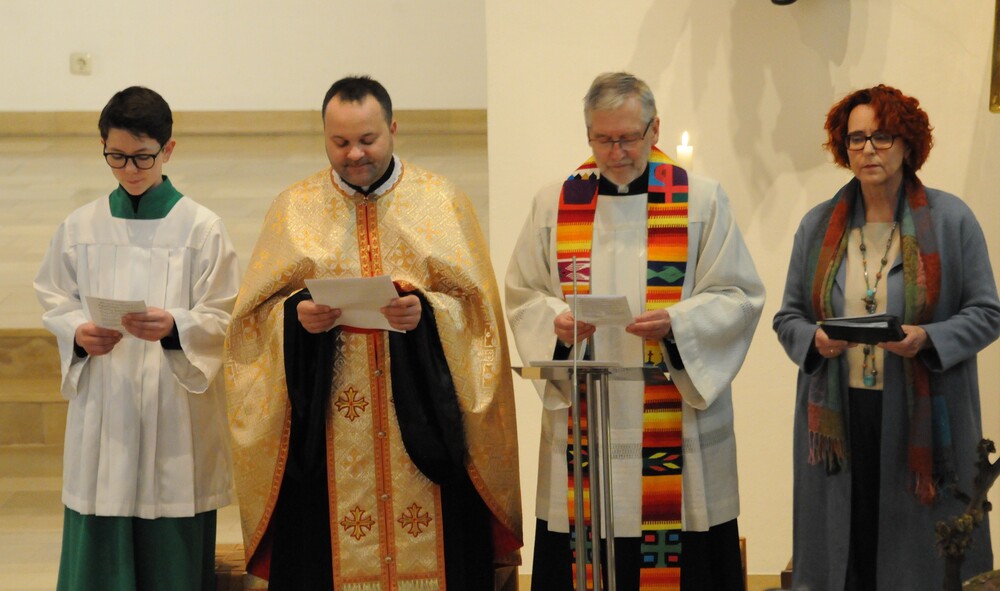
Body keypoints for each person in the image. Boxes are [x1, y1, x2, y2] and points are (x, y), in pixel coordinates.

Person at [224, 75, 522, 591]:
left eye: (367, 139)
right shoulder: (293, 208)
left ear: (393, 130)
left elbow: (480, 318)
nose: (355, 154)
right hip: (329, 426)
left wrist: (426, 313)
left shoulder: (441, 202)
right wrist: (295, 317)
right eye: (340, 142)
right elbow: (250, 324)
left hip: (424, 422)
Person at [506, 72, 764, 590]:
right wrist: (555, 323)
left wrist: (678, 323)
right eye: (602, 139)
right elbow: (523, 292)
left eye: (628, 137)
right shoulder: (554, 203)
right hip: (587, 418)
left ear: (654, 129)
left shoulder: (701, 201)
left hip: (673, 420)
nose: (616, 152)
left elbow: (738, 295)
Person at [773, 84, 1000, 590]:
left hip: (919, 411)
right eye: (856, 139)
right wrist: (815, 340)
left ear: (907, 143)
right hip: (838, 415)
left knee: (916, 558)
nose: (868, 150)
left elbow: (988, 313)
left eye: (882, 136)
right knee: (847, 548)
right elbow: (788, 317)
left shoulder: (951, 220)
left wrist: (928, 337)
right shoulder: (818, 226)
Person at [33, 86, 241, 591]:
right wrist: (78, 333)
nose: (129, 169)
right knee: (100, 512)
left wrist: (175, 327)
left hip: (173, 414)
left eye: (143, 156)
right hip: (105, 408)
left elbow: (224, 316)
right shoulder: (81, 226)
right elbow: (55, 299)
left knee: (170, 533)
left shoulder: (202, 229)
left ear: (168, 149)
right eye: (116, 156)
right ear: (103, 147)